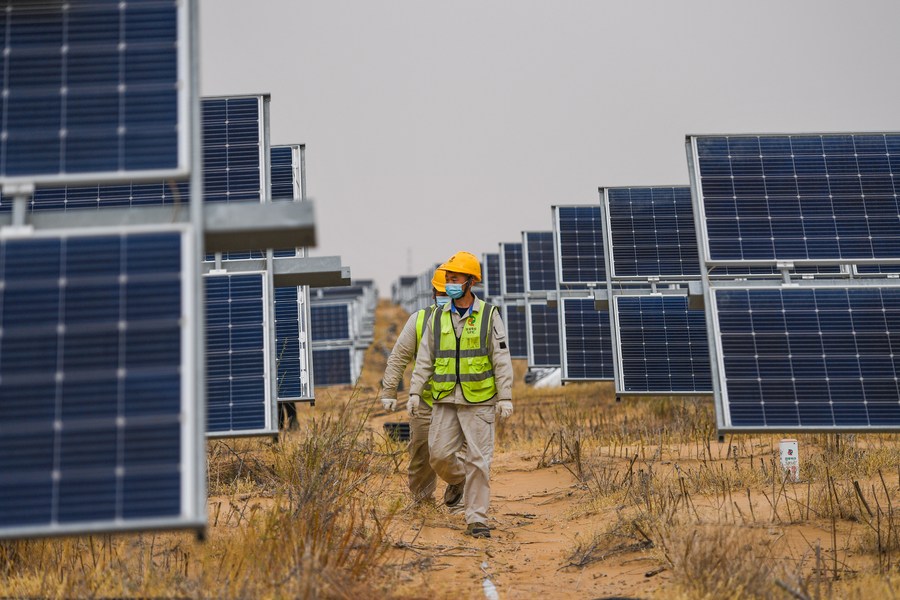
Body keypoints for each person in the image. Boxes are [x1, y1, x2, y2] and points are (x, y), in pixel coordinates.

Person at [408, 251, 514, 539]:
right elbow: (425, 359)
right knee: (438, 455)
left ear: (470, 281)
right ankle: (461, 481)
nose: (450, 283)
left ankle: (476, 519)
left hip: (479, 399)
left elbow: (501, 358)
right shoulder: (438, 317)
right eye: (448, 278)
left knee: (479, 459)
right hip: (444, 399)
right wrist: (415, 390)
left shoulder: (489, 315)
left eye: (455, 278)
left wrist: (505, 396)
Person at [380, 267, 450, 504]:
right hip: (425, 400)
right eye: (440, 291)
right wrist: (389, 390)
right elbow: (399, 356)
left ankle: (460, 497)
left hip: (461, 400)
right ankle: (422, 500)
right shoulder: (419, 320)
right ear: (433, 294)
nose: (444, 296)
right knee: (421, 451)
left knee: (457, 453)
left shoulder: (473, 319)